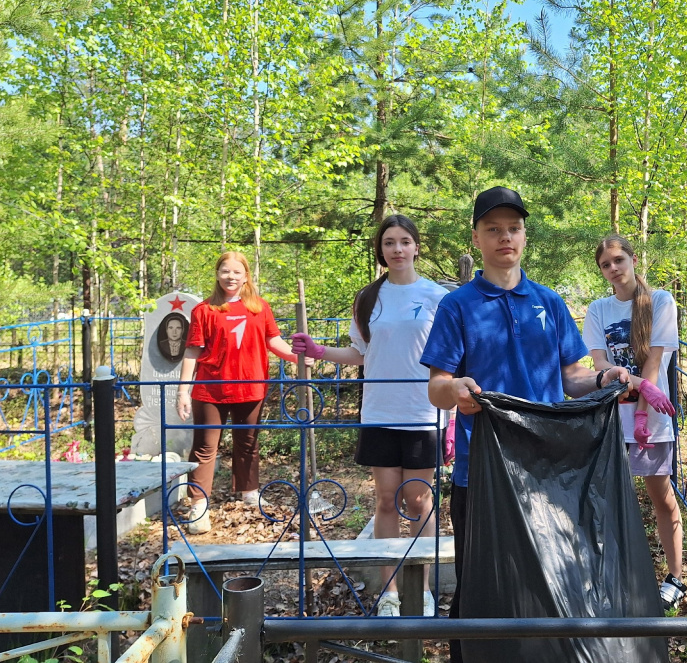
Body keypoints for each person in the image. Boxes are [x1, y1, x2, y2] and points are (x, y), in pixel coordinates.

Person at [419, 186, 632, 663]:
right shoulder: (458, 305)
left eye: (513, 228)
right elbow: (436, 386)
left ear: (525, 237)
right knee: (483, 581)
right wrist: (456, 392)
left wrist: (605, 378)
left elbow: (572, 377)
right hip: (482, 473)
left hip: (547, 470)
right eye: (493, 229)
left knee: (553, 574)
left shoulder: (550, 303)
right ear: (476, 238)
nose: (504, 238)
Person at [290, 214, 448, 618]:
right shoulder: (368, 298)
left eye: (404, 241)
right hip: (379, 410)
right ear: (380, 250)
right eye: (389, 242)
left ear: (416, 247)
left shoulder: (437, 296)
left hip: (422, 410)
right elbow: (361, 354)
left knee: (419, 500)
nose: (397, 249)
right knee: (385, 501)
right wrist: (319, 351)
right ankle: (390, 594)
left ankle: (423, 591)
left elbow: (452, 356)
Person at [582, 234, 686, 609]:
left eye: (618, 260)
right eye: (605, 265)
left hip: (651, 418)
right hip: (612, 418)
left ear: (632, 259)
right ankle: (617, 575)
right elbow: (600, 366)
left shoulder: (659, 301)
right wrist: (635, 385)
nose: (613, 269)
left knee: (661, 497)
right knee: (609, 500)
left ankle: (675, 577)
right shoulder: (598, 309)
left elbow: (655, 365)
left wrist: (642, 411)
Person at [177, 252, 301, 535]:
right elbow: (192, 351)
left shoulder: (259, 308)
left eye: (236, 272)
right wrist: (183, 391)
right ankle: (199, 504)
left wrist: (299, 357)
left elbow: (274, 342)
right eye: (225, 271)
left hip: (250, 386)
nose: (230, 277)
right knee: (205, 447)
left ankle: (249, 492)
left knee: (248, 444)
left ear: (246, 276)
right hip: (210, 389)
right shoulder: (204, 310)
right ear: (217, 274)